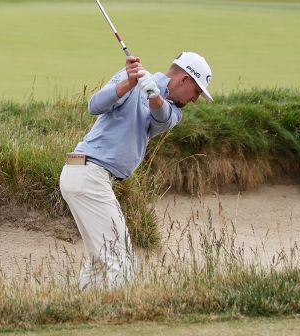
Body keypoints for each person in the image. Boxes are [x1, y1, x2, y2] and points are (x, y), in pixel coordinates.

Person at [60, 51, 215, 289]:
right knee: (120, 258)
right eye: (196, 92)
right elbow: (94, 105)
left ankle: (84, 313)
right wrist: (128, 84)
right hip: (87, 173)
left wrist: (153, 94)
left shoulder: (174, 111)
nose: (195, 99)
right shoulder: (129, 77)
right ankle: (119, 317)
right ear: (184, 79)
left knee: (100, 259)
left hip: (89, 177)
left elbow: (161, 117)